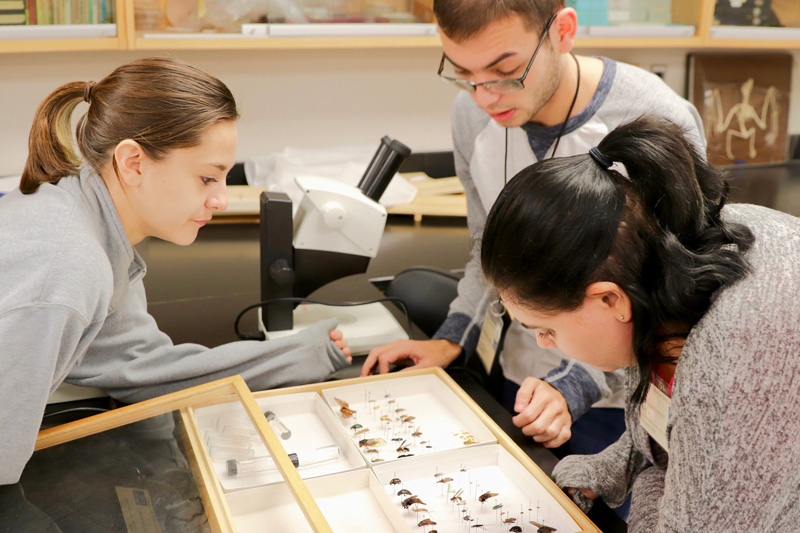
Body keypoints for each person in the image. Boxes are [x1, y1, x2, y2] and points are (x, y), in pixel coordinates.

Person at [362, 0, 705, 455]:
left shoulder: (656, 120)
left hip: (620, 408)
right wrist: (452, 336)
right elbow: (487, 247)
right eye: (463, 73)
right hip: (520, 378)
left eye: (506, 71)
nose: (485, 96)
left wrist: (575, 384)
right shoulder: (471, 116)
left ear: (562, 32)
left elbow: (673, 292)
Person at [0, 57, 352, 487]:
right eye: (207, 179)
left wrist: (301, 353)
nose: (221, 200)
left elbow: (140, 366)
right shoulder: (69, 267)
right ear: (133, 163)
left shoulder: (91, 214)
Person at [481, 114, 800, 530]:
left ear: (610, 299)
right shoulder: (654, 261)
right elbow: (668, 415)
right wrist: (618, 464)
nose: (544, 344)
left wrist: (651, 482)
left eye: (548, 329)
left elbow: (701, 515)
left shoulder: (733, 359)